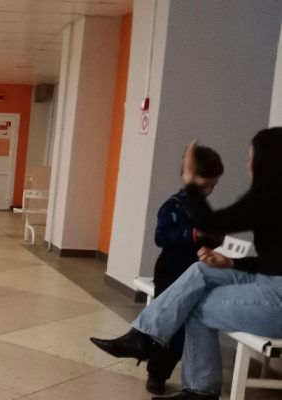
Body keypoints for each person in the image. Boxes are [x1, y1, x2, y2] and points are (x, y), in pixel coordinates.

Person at [90, 127, 282, 400]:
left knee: (195, 306)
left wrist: (191, 181)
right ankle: (143, 337)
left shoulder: (270, 198)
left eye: (251, 158)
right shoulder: (272, 200)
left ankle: (199, 391)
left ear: (266, 163)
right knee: (202, 269)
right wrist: (231, 261)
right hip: (269, 283)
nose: (247, 165)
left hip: (276, 298)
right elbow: (275, 260)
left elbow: (210, 223)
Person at [146, 147, 224, 395]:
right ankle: (156, 372)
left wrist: (213, 238)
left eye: (213, 186)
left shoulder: (204, 209)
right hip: (171, 271)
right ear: (188, 178)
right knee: (169, 325)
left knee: (187, 327)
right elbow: (161, 237)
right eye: (204, 185)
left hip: (196, 272)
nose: (209, 191)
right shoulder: (173, 205)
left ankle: (188, 378)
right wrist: (193, 234)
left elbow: (212, 237)